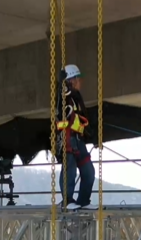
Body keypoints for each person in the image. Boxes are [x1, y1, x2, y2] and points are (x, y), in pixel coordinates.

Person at [57, 64, 94, 210]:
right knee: (69, 169)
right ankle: (67, 201)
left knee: (88, 172)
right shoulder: (65, 96)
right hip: (68, 138)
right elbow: (61, 98)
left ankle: (83, 201)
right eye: (78, 79)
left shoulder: (76, 98)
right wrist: (62, 83)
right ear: (72, 80)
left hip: (78, 139)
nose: (80, 82)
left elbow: (80, 119)